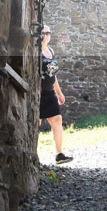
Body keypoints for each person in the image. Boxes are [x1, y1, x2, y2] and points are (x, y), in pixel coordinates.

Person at [39, 25, 71, 164]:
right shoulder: (35, 51)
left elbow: (53, 76)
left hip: (49, 92)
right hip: (38, 93)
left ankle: (59, 154)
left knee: (57, 120)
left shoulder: (50, 51)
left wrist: (59, 92)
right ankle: (32, 154)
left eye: (48, 33)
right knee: (36, 123)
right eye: (43, 33)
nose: (46, 35)